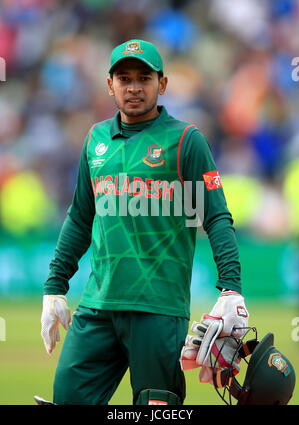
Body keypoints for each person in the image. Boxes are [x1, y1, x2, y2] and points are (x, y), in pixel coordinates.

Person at [41, 39, 249, 405]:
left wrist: (230, 288)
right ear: (110, 85)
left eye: (144, 78)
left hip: (158, 308)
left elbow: (215, 216)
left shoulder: (185, 140)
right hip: (97, 305)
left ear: (162, 84)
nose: (134, 87)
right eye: (124, 78)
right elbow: (79, 217)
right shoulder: (95, 140)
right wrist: (55, 286)